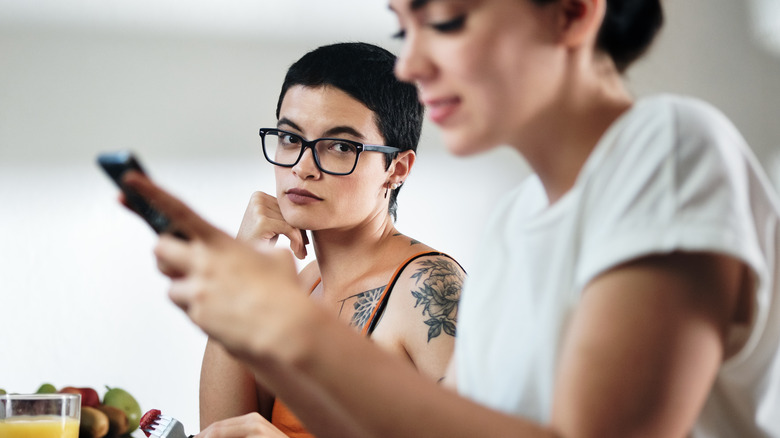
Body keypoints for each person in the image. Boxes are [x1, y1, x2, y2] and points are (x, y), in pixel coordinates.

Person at [122, 0, 780, 436]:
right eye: (402, 28)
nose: (410, 63)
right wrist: (250, 321)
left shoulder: (667, 147)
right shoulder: (516, 223)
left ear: (572, 14)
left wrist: (285, 329)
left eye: (446, 21)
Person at [196, 42, 465, 437]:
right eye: (289, 139)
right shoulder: (306, 285)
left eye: (340, 146)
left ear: (397, 168)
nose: (302, 167)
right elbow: (222, 429)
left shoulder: (427, 286)